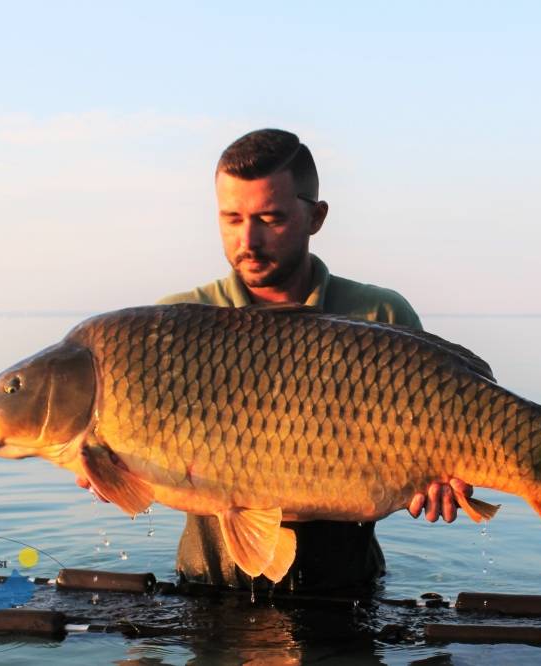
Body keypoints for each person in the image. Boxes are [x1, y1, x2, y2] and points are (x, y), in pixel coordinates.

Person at [151, 129, 482, 591]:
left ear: (316, 216)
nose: (249, 239)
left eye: (270, 218)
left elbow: (441, 450)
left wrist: (444, 482)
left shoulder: (379, 317)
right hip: (207, 587)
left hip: (349, 590)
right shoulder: (174, 327)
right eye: (232, 218)